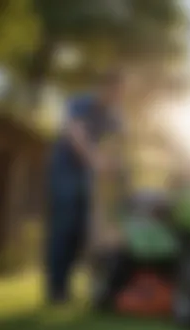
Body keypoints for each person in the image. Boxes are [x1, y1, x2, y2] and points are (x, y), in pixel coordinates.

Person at [45, 70, 126, 304]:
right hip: (65, 169)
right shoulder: (80, 102)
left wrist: (115, 164)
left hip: (88, 174)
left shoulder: (114, 115)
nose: (118, 96)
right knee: (66, 224)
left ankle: (81, 286)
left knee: (85, 228)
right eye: (116, 91)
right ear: (105, 87)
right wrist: (96, 159)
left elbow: (117, 144)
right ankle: (56, 290)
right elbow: (75, 134)